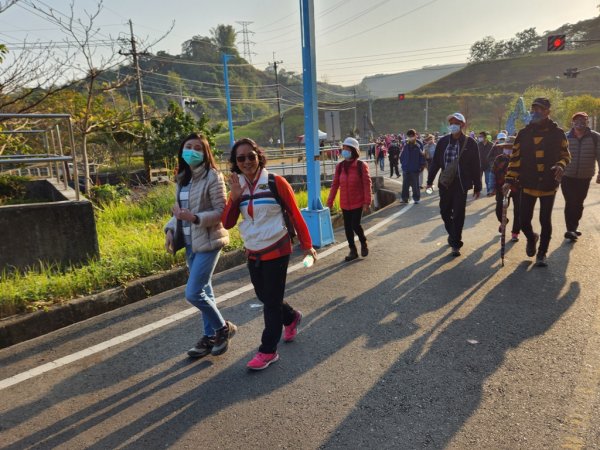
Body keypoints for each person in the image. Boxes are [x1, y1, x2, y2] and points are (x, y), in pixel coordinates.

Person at [222, 138, 317, 371]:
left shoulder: (276, 182)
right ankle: (292, 317)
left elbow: (295, 214)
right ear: (235, 162)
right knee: (265, 296)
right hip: (253, 251)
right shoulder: (238, 186)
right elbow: (227, 222)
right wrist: (234, 199)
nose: (246, 161)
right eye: (240, 158)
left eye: (251, 156)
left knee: (271, 303)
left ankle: (267, 351)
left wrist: (307, 245)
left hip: (278, 247)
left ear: (259, 156)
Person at [164, 133, 237, 359]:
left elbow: (220, 212)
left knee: (194, 293)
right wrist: (169, 229)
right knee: (205, 291)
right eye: (188, 146)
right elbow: (178, 212)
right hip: (189, 243)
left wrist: (194, 218)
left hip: (208, 241)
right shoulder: (183, 177)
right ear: (182, 151)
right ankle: (209, 338)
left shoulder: (213, 177)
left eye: (197, 147)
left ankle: (223, 328)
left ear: (205, 152)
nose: (192, 151)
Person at [503, 97, 571, 267]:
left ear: (548, 112)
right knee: (524, 220)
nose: (536, 112)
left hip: (549, 183)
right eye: (534, 109)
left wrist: (561, 166)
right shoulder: (523, 134)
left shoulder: (558, 133)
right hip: (528, 183)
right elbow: (515, 159)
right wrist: (509, 180)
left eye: (540, 109)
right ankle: (531, 237)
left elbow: (566, 155)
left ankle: (542, 253)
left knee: (545, 220)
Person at [426, 112, 482, 257]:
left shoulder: (470, 143)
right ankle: (453, 234)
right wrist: (429, 181)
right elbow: (436, 163)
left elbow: (476, 166)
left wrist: (478, 185)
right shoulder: (443, 142)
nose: (453, 125)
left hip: (461, 184)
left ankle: (456, 243)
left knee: (458, 213)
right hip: (445, 183)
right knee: (444, 212)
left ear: (463, 125)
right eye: (451, 123)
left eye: (456, 123)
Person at [327, 136, 372, 261]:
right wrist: (329, 202)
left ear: (353, 150)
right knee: (347, 228)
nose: (344, 151)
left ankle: (363, 242)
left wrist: (367, 201)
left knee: (355, 225)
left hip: (358, 202)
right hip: (345, 203)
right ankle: (353, 250)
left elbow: (367, 184)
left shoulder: (361, 165)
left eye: (347, 148)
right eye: (343, 148)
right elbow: (335, 185)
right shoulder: (340, 166)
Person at [561, 112, 600, 242]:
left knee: (579, 203)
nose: (580, 122)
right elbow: (559, 156)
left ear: (587, 122)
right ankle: (570, 229)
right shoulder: (566, 137)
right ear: (572, 123)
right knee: (570, 201)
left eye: (583, 120)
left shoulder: (595, 137)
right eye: (577, 120)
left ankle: (574, 225)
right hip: (567, 175)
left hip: (585, 176)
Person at [491, 137, 521, 241]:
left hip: (517, 188)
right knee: (499, 209)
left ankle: (515, 233)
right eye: (506, 147)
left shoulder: (520, 158)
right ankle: (503, 221)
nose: (508, 149)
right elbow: (493, 173)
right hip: (502, 188)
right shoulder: (499, 159)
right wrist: (493, 188)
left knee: (518, 212)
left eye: (510, 147)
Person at [400, 129, 426, 204]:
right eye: (409, 136)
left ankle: (416, 198)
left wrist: (422, 165)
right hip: (406, 169)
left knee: (415, 185)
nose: (411, 137)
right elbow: (402, 156)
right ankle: (404, 198)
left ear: (415, 135)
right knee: (405, 185)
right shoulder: (405, 144)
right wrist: (403, 165)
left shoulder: (419, 144)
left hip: (415, 168)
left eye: (412, 135)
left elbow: (422, 156)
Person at [477, 131, 494, 195]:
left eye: (481, 136)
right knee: (478, 179)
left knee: (487, 180)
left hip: (488, 165)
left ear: (485, 137)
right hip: (479, 165)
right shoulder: (478, 145)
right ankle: (479, 190)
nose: (479, 138)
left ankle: (489, 191)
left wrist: (491, 162)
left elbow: (494, 155)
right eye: (479, 137)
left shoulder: (491, 145)